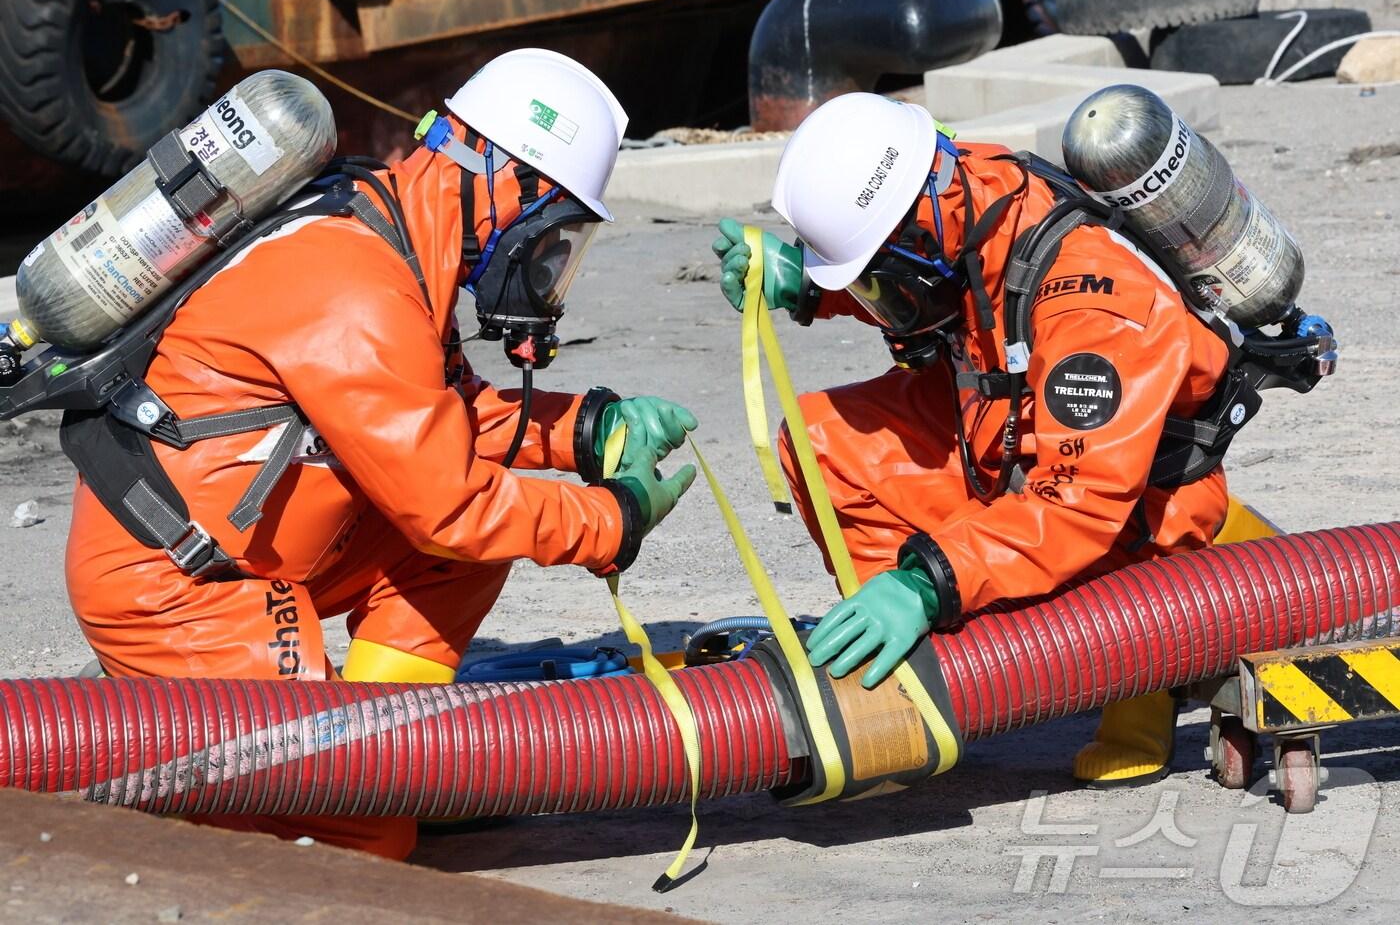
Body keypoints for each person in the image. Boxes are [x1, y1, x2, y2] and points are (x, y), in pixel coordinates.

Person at [65, 49, 696, 858]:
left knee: (465, 557)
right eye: (555, 237)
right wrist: (614, 517)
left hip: (257, 548)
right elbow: (451, 505)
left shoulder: (387, 225)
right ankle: (156, 762)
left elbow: (433, 418)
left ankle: (383, 736)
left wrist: (586, 427)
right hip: (181, 585)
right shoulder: (355, 287)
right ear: (505, 186)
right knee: (359, 838)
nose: (549, 265)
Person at [712, 92, 1237, 788]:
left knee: (1048, 559)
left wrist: (928, 581)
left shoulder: (1098, 307)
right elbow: (929, 279)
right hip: (1005, 433)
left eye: (876, 283)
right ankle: (907, 680)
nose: (877, 301)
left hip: (1134, 512)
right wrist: (812, 284)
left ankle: (1139, 677)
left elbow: (1078, 505)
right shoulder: (962, 187)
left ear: (921, 226)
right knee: (824, 441)